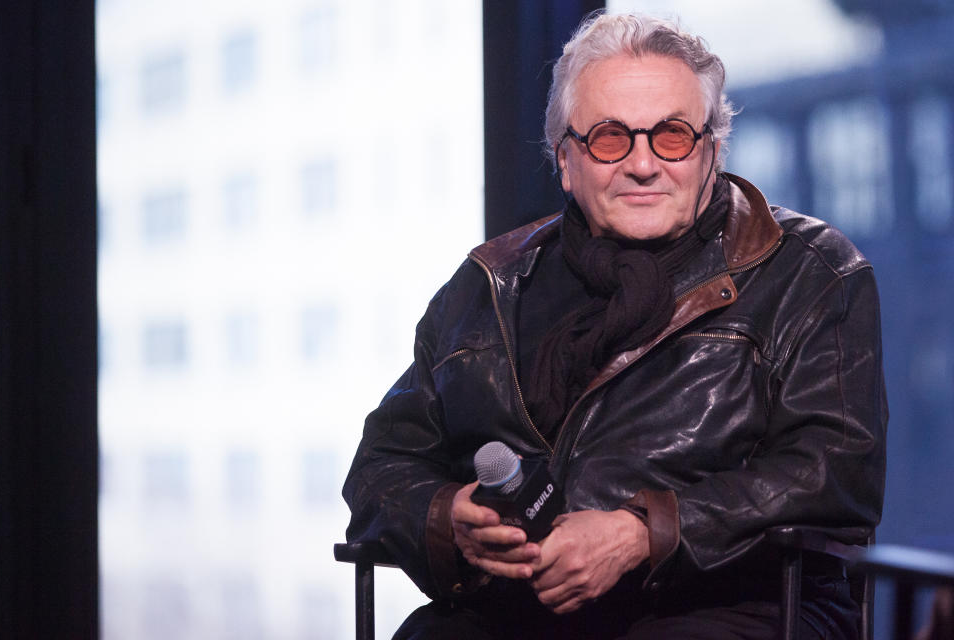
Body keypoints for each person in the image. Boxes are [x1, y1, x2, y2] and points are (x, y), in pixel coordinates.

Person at [343, 11, 886, 640]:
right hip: (513, 609)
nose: (643, 164)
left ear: (712, 150)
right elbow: (383, 467)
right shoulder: (487, 285)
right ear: (566, 161)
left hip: (732, 607)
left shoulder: (812, 274)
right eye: (610, 138)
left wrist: (643, 533)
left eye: (673, 135)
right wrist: (447, 518)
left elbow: (833, 472)